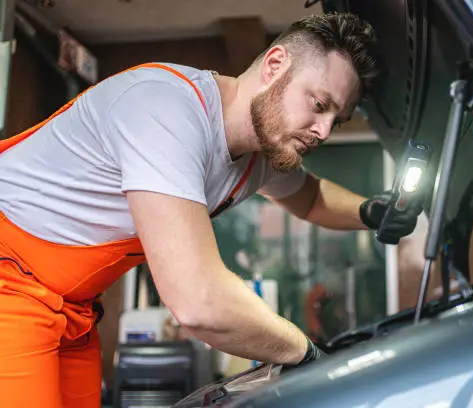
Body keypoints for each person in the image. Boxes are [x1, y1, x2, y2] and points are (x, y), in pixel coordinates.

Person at [0, 12, 420, 408]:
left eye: (338, 120)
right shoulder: (165, 109)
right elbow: (199, 301)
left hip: (71, 307)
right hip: (8, 282)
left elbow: (309, 196)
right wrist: (307, 355)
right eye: (319, 104)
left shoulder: (258, 158)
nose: (324, 130)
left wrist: (369, 212)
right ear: (275, 64)